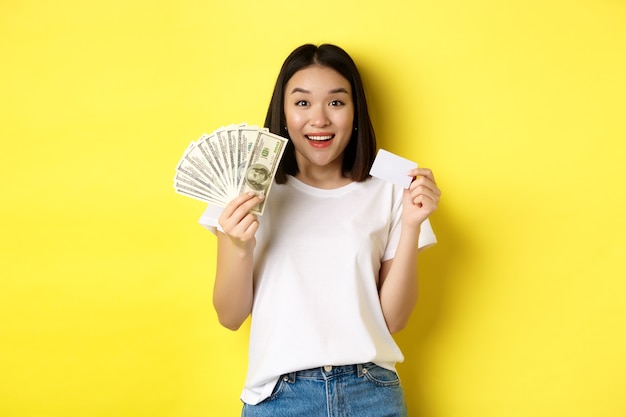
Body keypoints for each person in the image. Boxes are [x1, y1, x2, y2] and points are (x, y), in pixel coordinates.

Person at [199, 43, 441, 417]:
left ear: (355, 111)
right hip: (278, 398)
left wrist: (411, 225)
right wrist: (238, 245)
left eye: (336, 102)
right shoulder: (244, 190)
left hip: (371, 394)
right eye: (302, 103)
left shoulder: (391, 190)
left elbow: (394, 320)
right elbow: (230, 316)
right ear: (283, 112)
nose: (319, 119)